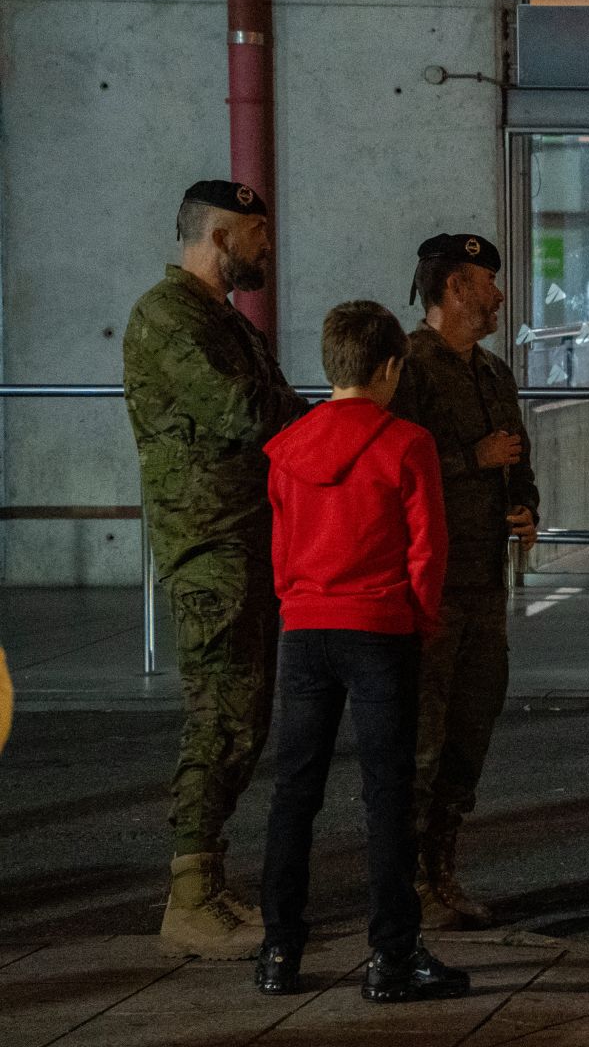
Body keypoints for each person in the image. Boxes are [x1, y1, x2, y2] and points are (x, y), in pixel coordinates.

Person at [255, 301, 468, 1003]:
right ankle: (391, 956)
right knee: (386, 796)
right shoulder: (406, 443)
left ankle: (279, 950)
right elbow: (428, 548)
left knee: (295, 793)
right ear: (387, 368)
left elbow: (280, 547)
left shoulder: (288, 446)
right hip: (379, 630)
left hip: (305, 629)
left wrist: (299, 601)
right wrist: (421, 618)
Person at [124, 179, 305, 958]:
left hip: (245, 536)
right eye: (257, 237)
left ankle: (205, 877)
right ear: (221, 238)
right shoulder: (168, 318)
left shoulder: (221, 320)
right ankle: (188, 896)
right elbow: (248, 413)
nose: (267, 249)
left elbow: (278, 405)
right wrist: (327, 420)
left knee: (245, 712)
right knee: (222, 713)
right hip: (209, 543)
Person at [387, 234, 540, 930]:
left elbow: (516, 453)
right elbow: (391, 466)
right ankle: (405, 881)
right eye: (487, 282)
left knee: (471, 728)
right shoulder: (407, 368)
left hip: (485, 578)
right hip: (431, 583)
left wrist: (524, 502)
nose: (498, 295)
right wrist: (470, 461)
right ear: (452, 289)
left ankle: (441, 870)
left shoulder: (492, 372)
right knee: (423, 732)